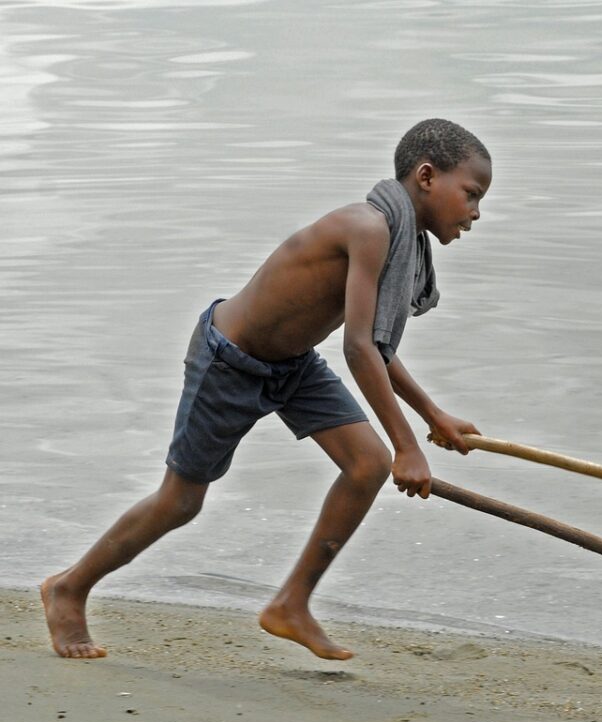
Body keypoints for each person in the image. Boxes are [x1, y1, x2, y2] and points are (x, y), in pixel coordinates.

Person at [41, 118, 492, 661]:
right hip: (229, 361)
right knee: (180, 502)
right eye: (470, 194)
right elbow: (357, 349)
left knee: (366, 464)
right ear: (425, 176)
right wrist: (408, 446)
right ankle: (69, 587)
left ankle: (291, 604)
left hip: (292, 365)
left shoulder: (400, 241)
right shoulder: (370, 229)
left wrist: (431, 416)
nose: (475, 212)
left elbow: (377, 346)